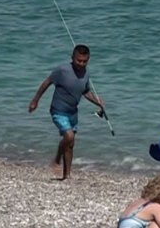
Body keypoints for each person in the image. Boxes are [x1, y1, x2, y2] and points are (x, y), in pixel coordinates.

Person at [28, 44, 106, 181]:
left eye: (84, 61)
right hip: (58, 110)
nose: (81, 64)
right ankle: (56, 160)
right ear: (72, 57)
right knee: (69, 136)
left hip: (73, 112)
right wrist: (35, 100)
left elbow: (85, 91)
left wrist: (97, 101)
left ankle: (67, 175)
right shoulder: (62, 70)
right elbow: (47, 82)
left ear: (88, 60)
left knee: (70, 144)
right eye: (78, 60)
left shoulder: (86, 73)